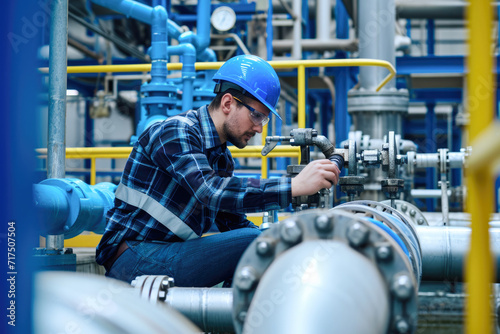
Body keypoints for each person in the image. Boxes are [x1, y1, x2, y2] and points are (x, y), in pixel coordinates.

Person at [96, 55, 340, 287]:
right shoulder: (177, 132)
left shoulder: (221, 159)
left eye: (263, 120)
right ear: (227, 103)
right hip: (133, 258)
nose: (258, 129)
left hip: (166, 253)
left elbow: (232, 223)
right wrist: (293, 187)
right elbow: (210, 191)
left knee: (263, 242)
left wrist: (283, 242)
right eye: (256, 115)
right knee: (256, 243)